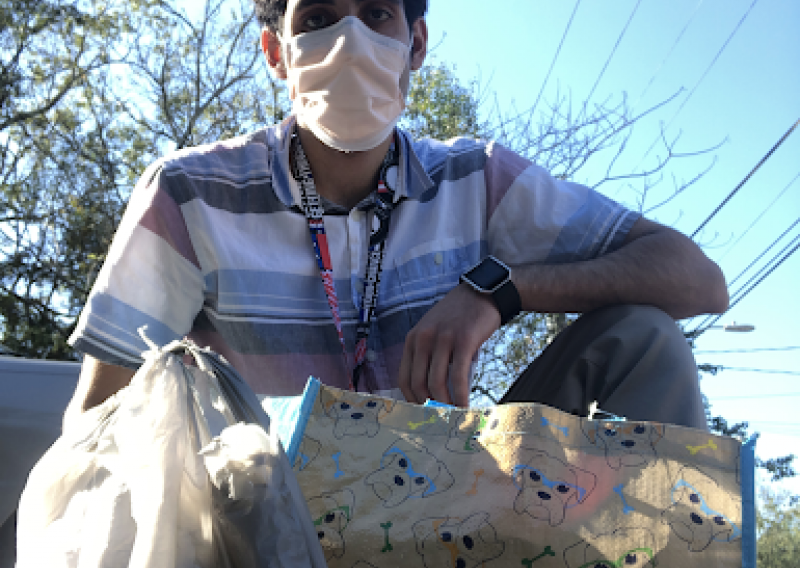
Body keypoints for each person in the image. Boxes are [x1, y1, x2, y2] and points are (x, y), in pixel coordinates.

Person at [64, 0, 728, 430]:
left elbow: (697, 281)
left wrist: (501, 289)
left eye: (376, 12)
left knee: (644, 339)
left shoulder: (476, 180)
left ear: (416, 44)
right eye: (318, 16)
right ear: (275, 52)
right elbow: (98, 419)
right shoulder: (190, 195)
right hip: (265, 522)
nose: (349, 39)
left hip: (450, 510)